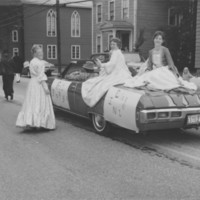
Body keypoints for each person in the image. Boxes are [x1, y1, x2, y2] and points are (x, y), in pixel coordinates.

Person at [124, 31, 197, 91]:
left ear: (162, 41)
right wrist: (146, 72)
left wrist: (176, 76)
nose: (157, 40)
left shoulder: (165, 50)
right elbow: (149, 66)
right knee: (144, 78)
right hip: (155, 70)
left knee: (162, 80)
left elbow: (171, 63)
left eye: (160, 39)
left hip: (164, 69)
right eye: (156, 38)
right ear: (153, 39)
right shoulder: (151, 51)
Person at [82, 38, 132, 107]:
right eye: (111, 44)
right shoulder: (118, 52)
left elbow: (112, 63)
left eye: (114, 44)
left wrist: (101, 65)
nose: (112, 45)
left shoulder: (116, 52)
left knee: (101, 85)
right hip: (120, 71)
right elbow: (112, 63)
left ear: (118, 45)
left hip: (117, 72)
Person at [16, 45, 56, 130]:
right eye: (39, 52)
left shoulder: (32, 61)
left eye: (42, 52)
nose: (42, 54)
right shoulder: (39, 62)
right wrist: (45, 87)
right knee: (40, 102)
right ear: (35, 53)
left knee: (32, 102)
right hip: (39, 84)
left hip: (32, 83)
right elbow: (41, 76)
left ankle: (31, 121)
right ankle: (40, 122)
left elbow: (39, 70)